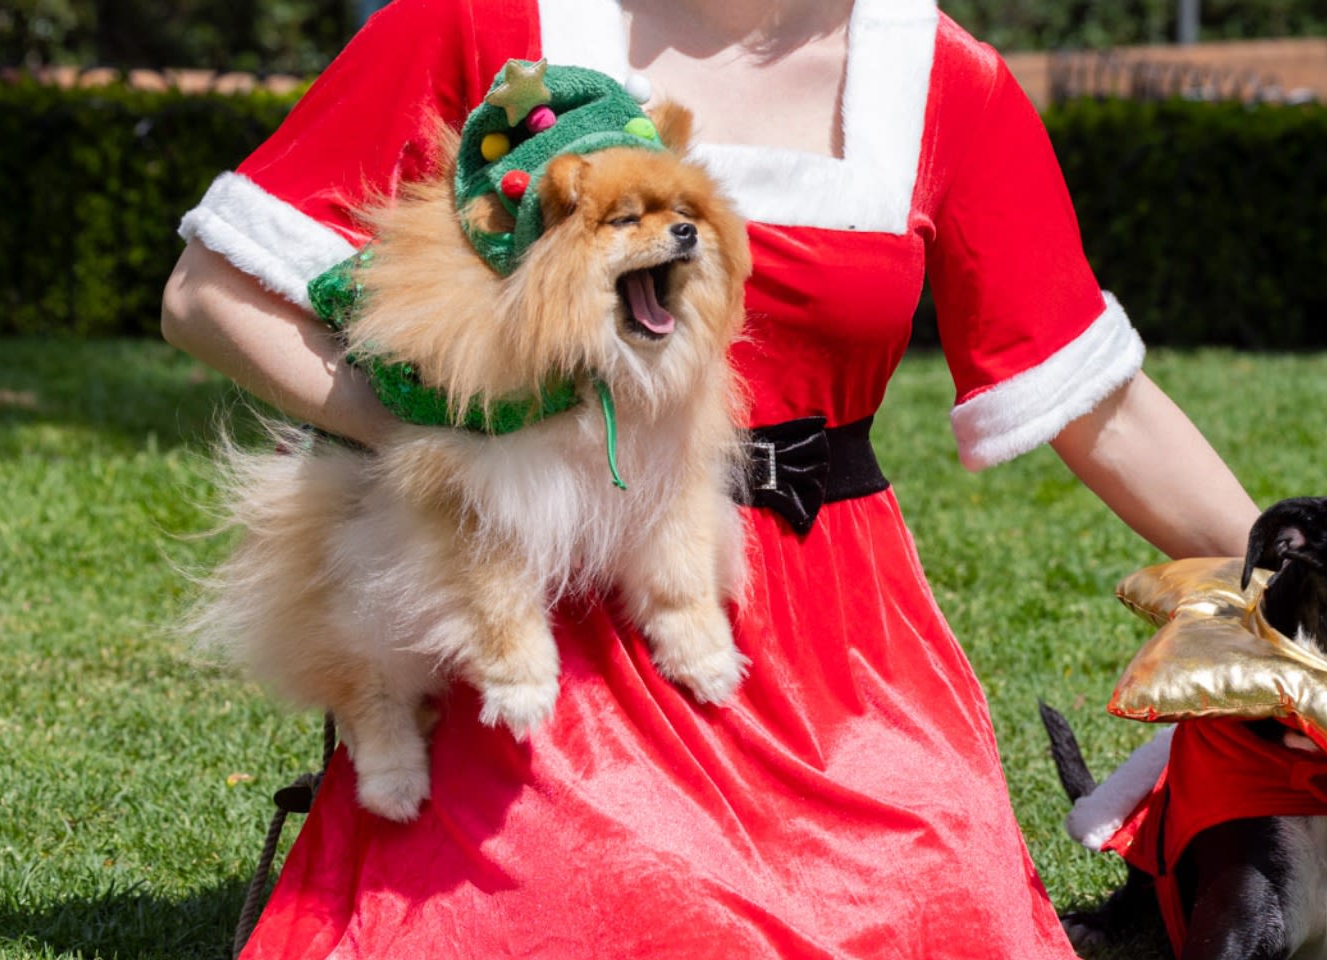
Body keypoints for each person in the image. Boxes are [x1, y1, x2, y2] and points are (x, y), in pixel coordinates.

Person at [159, 0, 1260, 955]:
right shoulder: (478, 19)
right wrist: (452, 428)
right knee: (612, 905)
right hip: (558, 605)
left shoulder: (943, 75)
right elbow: (209, 295)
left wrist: (1319, 600)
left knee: (926, 907)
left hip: (844, 650)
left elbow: (1095, 402)